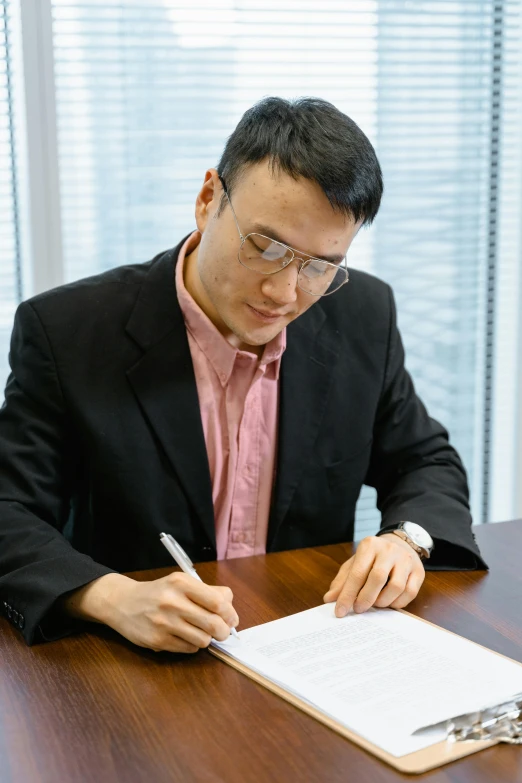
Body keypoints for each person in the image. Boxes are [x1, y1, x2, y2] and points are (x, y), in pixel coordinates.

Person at [0, 97, 486, 652]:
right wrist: (109, 595)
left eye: (320, 265)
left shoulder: (363, 316)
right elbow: (9, 509)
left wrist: (407, 540)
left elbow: (425, 460)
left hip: (304, 646)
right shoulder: (67, 331)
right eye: (265, 246)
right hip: (126, 665)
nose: (284, 293)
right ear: (208, 200)